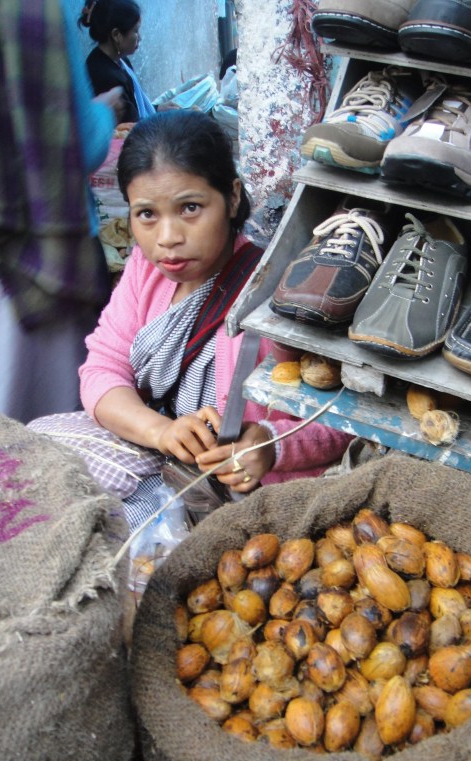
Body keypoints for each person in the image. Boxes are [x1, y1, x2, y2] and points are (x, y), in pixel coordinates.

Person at [49, 109, 352, 529]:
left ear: (232, 197)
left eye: (190, 208)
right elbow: (102, 368)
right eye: (147, 214)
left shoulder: (282, 295)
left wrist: (271, 445)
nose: (167, 238)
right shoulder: (145, 269)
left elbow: (343, 421)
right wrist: (160, 431)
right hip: (161, 462)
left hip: (249, 499)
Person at [0, 0, 124, 422]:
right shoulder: (30, 11)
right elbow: (79, 145)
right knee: (43, 419)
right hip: (33, 247)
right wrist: (104, 113)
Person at [79, 0, 156, 124]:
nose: (140, 38)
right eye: (136, 31)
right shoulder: (106, 78)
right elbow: (132, 125)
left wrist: (157, 108)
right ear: (116, 35)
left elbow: (135, 106)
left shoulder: (120, 60)